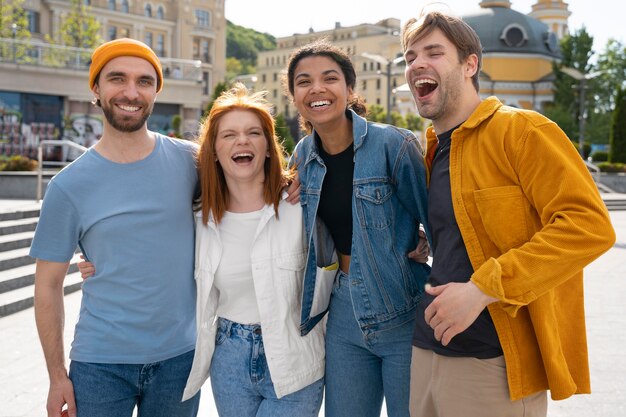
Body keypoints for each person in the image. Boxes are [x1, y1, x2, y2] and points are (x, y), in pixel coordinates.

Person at [400, 11, 616, 417]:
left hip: (492, 363)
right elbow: (469, 231)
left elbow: (590, 226)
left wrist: (483, 288)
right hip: (426, 351)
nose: (417, 65)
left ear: (470, 64)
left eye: (433, 52)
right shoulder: (432, 148)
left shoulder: (522, 131)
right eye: (410, 57)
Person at [30, 38, 201, 417]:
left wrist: (294, 179)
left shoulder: (192, 163)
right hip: (99, 366)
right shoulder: (67, 186)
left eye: (144, 81)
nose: (130, 92)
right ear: (96, 88)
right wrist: (57, 376)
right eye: (117, 79)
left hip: (180, 360)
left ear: (156, 90)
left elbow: (251, 188)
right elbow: (47, 285)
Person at [286, 39, 431, 417]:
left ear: (349, 89)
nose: (316, 88)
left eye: (329, 78)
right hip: (343, 314)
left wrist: (424, 242)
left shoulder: (392, 145)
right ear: (295, 96)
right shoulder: (302, 155)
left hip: (404, 311)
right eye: (304, 82)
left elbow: (437, 221)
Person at [178, 82, 325, 416]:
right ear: (213, 150)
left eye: (253, 133)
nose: (241, 141)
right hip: (228, 358)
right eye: (228, 135)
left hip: (294, 358)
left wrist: (416, 240)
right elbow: (157, 253)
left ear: (269, 147)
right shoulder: (199, 218)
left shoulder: (300, 207)